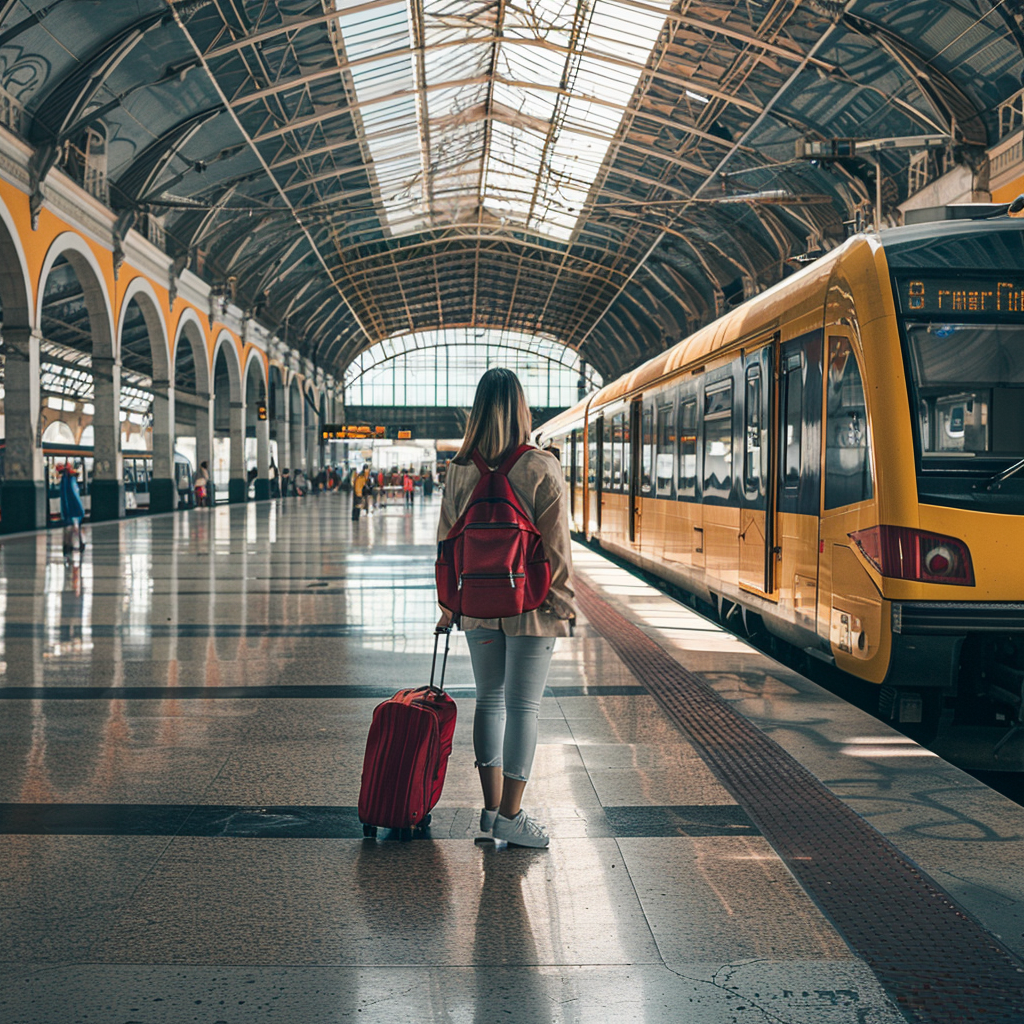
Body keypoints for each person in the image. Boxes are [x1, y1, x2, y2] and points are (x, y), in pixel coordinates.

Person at [436, 368, 576, 849]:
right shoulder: (541, 466)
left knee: (489, 701)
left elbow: (446, 545)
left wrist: (449, 605)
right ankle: (512, 819)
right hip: (531, 603)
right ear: (521, 408)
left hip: (477, 601)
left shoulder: (458, 469)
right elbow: (558, 551)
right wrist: (563, 607)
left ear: (477, 411)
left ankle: (491, 809)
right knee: (523, 707)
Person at [59, 463, 86, 556]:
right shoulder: (72, 482)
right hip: (75, 511)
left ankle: (67, 545)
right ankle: (78, 543)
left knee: (69, 528)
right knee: (75, 527)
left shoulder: (65, 482)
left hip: (69, 512)